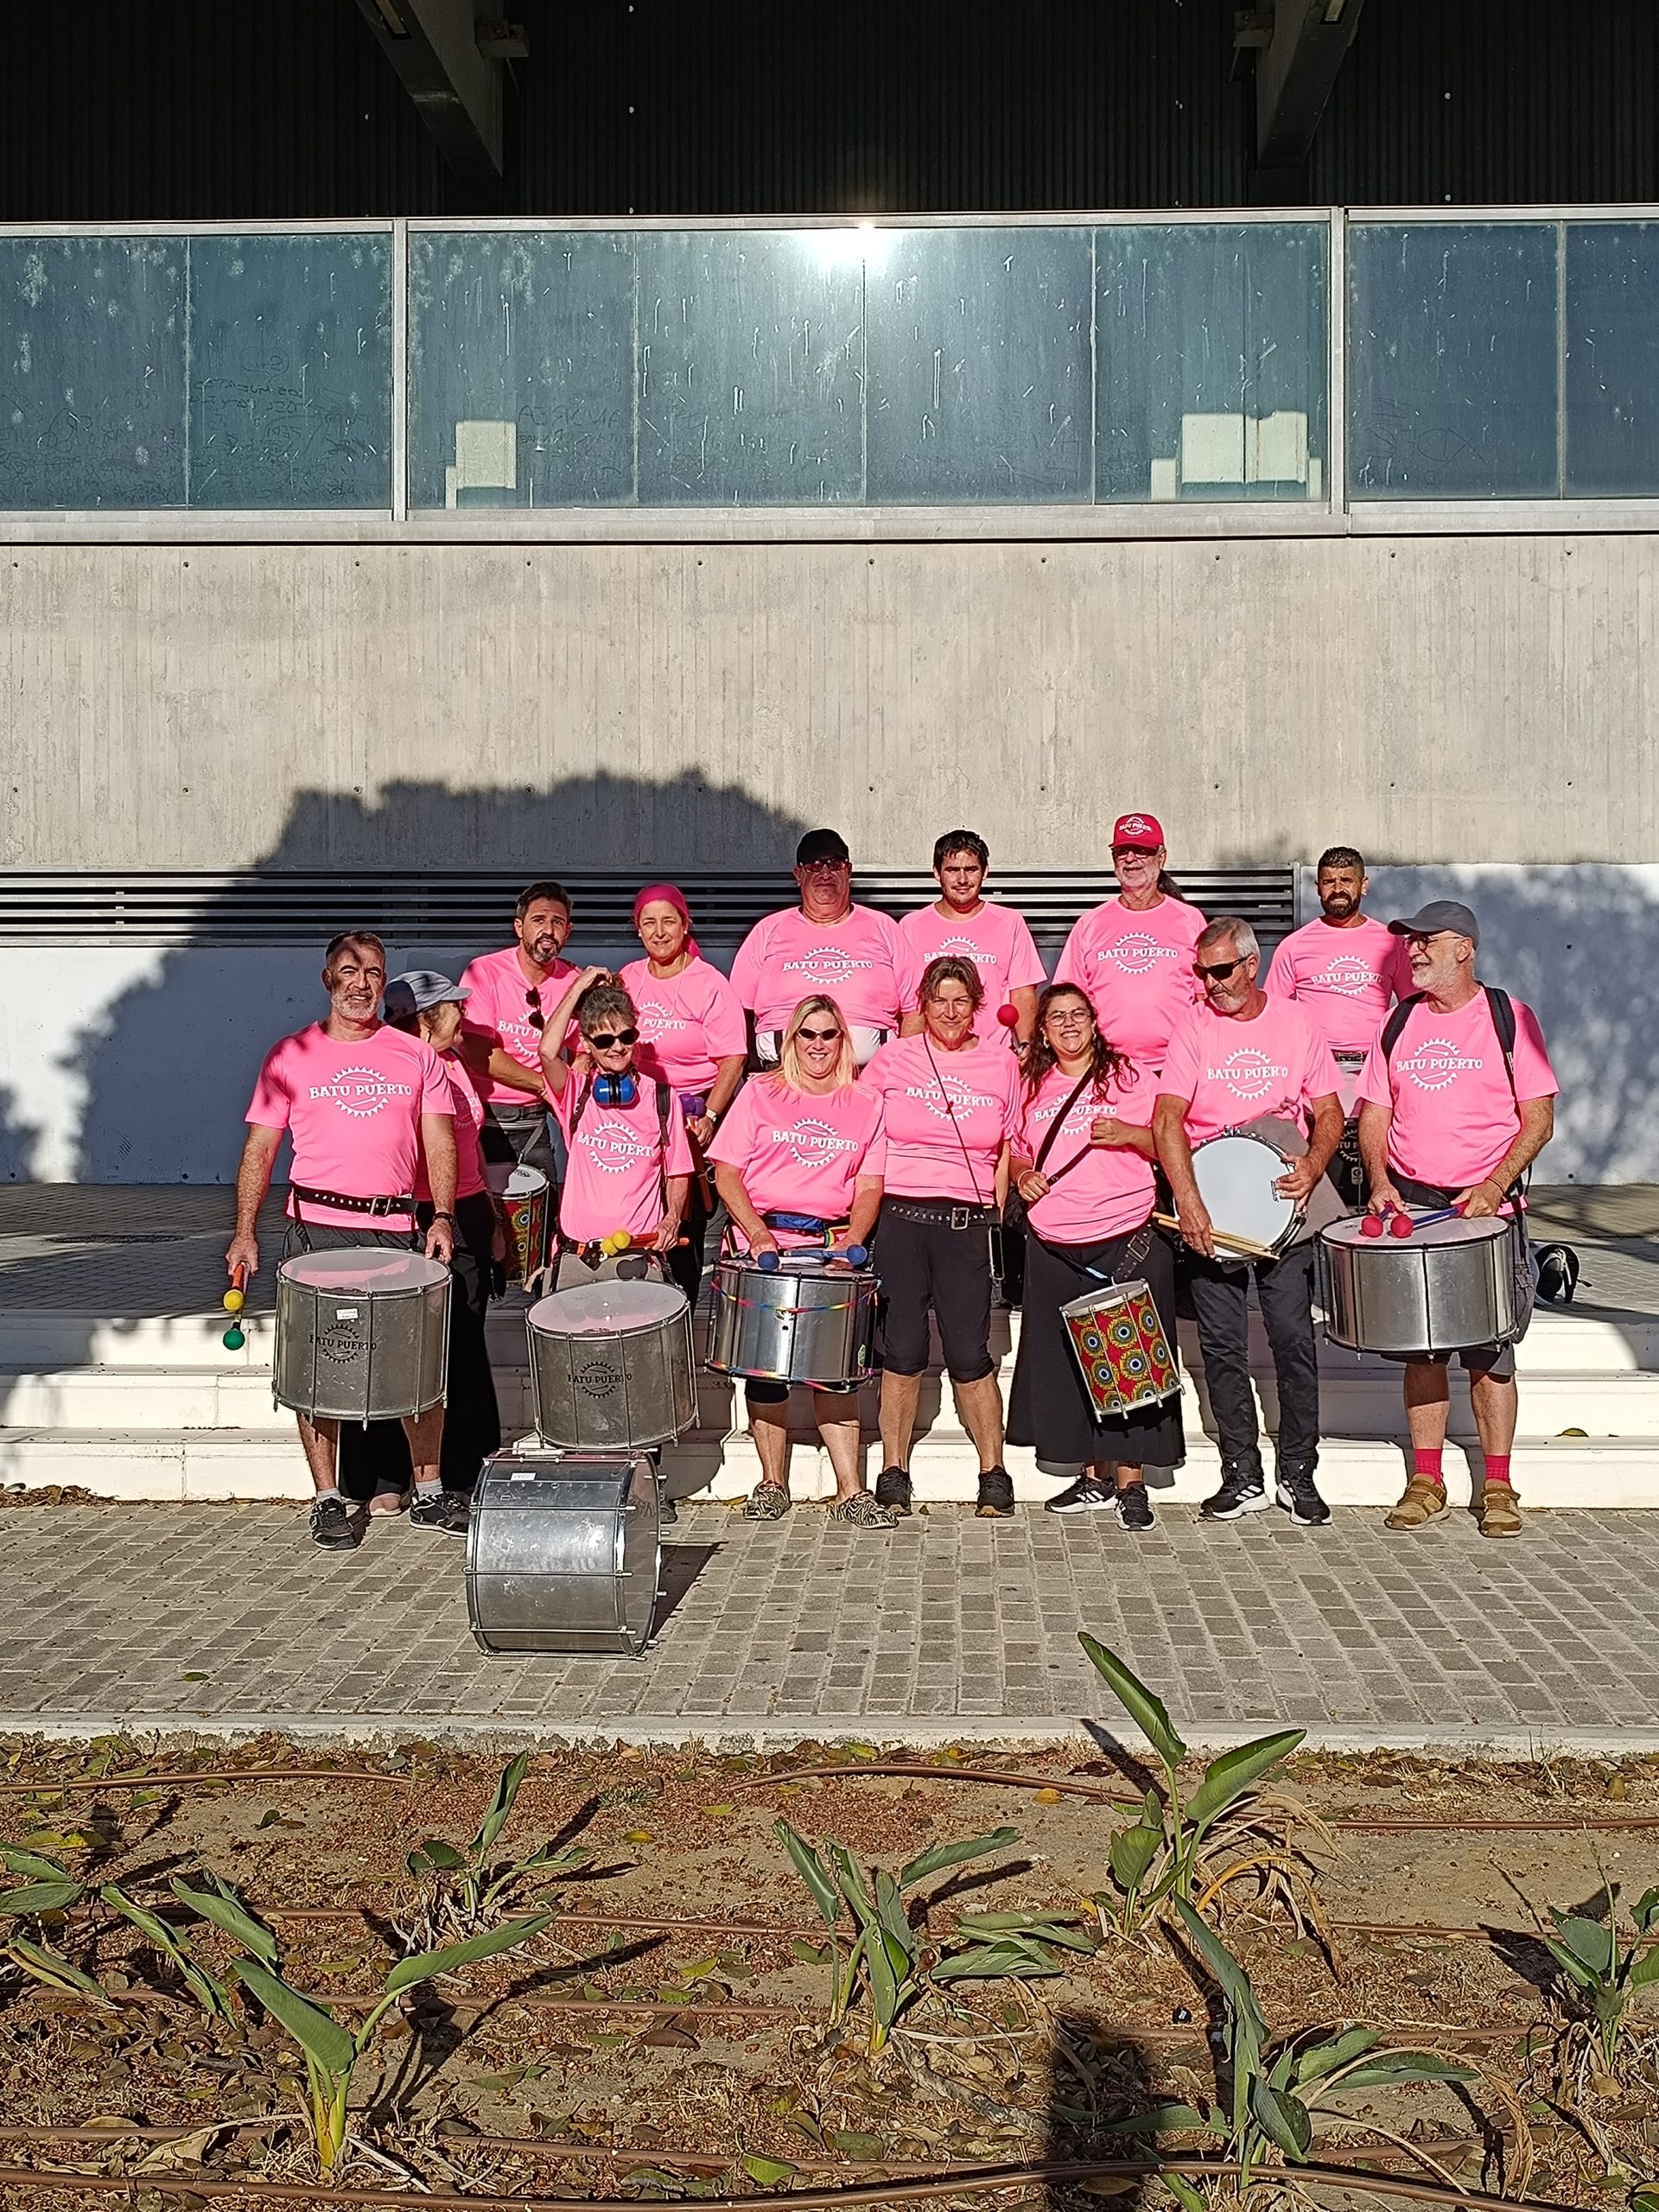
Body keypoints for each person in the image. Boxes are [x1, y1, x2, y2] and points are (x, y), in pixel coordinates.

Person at [226, 933, 456, 1551]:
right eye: (350, 972)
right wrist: (245, 1232)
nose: (362, 984)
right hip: (317, 1229)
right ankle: (328, 1498)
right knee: (316, 1367)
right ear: (328, 979)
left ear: (385, 983)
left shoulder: (416, 1056)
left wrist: (441, 1217)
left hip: (394, 1228)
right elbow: (260, 1151)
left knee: (414, 1363)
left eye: (374, 973)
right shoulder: (290, 1055)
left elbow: (439, 1142)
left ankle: (428, 1492)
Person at [1357, 899, 1558, 1541]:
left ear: (1464, 948)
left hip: (1488, 1210)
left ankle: (1498, 1483)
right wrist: (1381, 1181)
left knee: (1491, 1354)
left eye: (1426, 941)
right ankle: (1427, 1481)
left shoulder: (1508, 1017)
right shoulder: (1397, 1023)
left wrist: (1495, 1183)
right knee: (1422, 1349)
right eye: (1408, 942)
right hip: (1416, 1205)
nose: (1412, 951)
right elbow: (1374, 1114)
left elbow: (1539, 1117)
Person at [1154, 918, 1344, 1529]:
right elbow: (1166, 1120)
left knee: (1293, 1341)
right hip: (1215, 1207)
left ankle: (1299, 1473)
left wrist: (1314, 1165)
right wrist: (1188, 1201)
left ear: (1251, 964)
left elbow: (1329, 1109)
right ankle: (1242, 1474)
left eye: (1221, 971)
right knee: (1222, 1346)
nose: (1210, 984)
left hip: (1283, 1205)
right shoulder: (1193, 1026)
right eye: (1201, 972)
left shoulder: (1295, 1023)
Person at [707, 995, 891, 1529]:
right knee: (766, 1374)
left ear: (844, 1041)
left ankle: (851, 1492)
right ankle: (771, 1483)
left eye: (829, 1034)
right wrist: (758, 1234)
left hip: (830, 1248)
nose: (817, 1045)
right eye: (806, 1034)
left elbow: (869, 1183)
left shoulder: (866, 1102)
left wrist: (853, 1240)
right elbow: (726, 1172)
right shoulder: (761, 1093)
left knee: (836, 1374)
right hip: (764, 1245)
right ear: (791, 1040)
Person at [1006, 983, 1182, 1525]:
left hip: (1124, 1235)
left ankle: (1131, 1482)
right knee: (1070, 1363)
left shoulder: (1126, 1075)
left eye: (1077, 1014)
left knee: (1130, 1363)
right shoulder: (1029, 1081)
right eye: (1056, 1016)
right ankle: (1092, 1477)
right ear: (1042, 1029)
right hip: (1054, 1241)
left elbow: (1169, 1141)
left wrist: (1128, 1131)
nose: (1067, 1024)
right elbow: (1014, 1149)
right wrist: (1024, 1176)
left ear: (1094, 1020)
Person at [336, 972, 505, 1536]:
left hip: (466, 1211)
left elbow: (470, 1145)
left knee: (464, 1344)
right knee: (396, 1350)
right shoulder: (392, 1070)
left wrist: (491, 1218)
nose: (464, 1012)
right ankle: (386, 1477)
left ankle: (465, 1472)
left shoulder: (454, 1065)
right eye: (453, 1006)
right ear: (427, 1018)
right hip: (412, 1217)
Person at [863, 957, 1020, 1519]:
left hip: (965, 1224)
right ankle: (894, 1470)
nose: (949, 1012)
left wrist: (994, 1215)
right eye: (939, 1001)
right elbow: (861, 1131)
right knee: (901, 1353)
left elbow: (1007, 1146)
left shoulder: (1002, 1063)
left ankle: (993, 1472)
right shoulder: (890, 1060)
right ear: (922, 1005)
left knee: (969, 1354)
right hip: (901, 1220)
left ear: (976, 1005)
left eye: (961, 1001)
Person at [620, 882, 748, 1305]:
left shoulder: (709, 982)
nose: (659, 932)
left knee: (687, 1226)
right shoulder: (629, 978)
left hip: (693, 1111)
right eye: (649, 923)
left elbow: (732, 1058)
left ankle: (681, 1312)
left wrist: (711, 1116)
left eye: (668, 921)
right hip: (637, 1113)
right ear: (637, 929)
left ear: (685, 924)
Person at [1266, 847, 1412, 1206]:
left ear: (1364, 885)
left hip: (1374, 1069)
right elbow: (1274, 1017)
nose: (1337, 889)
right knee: (1327, 1179)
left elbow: (1413, 1011)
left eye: (1346, 881)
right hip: (1317, 1072)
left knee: (1376, 1175)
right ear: (1317, 887)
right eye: (1329, 881)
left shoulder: (1391, 943)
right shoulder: (1294, 946)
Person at [536, 971, 695, 1289]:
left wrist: (672, 1217)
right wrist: (579, 985)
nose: (618, 1047)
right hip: (576, 1259)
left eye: (626, 1036)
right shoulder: (575, 1091)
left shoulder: (662, 1098)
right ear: (586, 1043)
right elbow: (547, 1052)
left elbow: (678, 1171)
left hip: (637, 1258)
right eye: (605, 1040)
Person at [729, 829, 914, 1068]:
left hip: (869, 1075)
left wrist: (902, 1067)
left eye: (834, 864)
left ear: (848, 871)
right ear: (798, 874)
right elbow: (734, 1012)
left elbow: (915, 1008)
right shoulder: (768, 930)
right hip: (782, 1075)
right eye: (815, 866)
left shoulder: (883, 927)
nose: (825, 873)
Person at [1054, 812, 1206, 1077]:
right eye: (1122, 851)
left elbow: (1205, 997)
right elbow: (1067, 998)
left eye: (1141, 850)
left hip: (1175, 1066)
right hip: (1105, 1065)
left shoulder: (1190, 920)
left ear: (1162, 856)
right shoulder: (1090, 924)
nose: (1131, 858)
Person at [459, 880, 580, 1182]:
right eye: (538, 920)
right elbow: (479, 1053)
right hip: (485, 1118)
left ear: (568, 930)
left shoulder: (574, 980)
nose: (548, 931)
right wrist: (544, 1086)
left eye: (557, 922)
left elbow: (582, 1054)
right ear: (519, 927)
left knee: (539, 1217)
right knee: (484, 1221)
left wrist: (572, 1101)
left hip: (538, 1119)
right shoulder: (484, 971)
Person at [897, 831, 1046, 1048]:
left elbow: (1023, 993)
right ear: (936, 873)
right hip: (930, 1057)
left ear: (985, 872)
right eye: (952, 870)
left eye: (971, 869)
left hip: (993, 1053)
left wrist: (1027, 1044)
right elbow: (909, 1002)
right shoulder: (910, 926)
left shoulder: (1010, 922)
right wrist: (909, 1052)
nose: (962, 880)